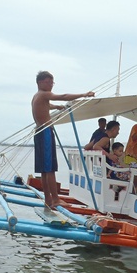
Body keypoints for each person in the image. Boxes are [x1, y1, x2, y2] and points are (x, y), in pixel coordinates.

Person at [31, 70, 95, 209]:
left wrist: (55, 107)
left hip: (39, 132)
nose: (51, 85)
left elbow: (45, 106)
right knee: (50, 169)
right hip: (45, 132)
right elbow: (64, 96)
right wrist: (84, 94)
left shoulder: (37, 97)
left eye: (52, 82)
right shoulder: (44, 94)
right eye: (48, 82)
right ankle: (55, 199)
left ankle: (48, 199)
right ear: (40, 82)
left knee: (44, 170)